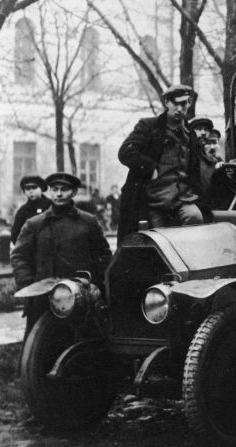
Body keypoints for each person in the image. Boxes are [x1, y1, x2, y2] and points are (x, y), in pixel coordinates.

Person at [11, 173, 111, 338]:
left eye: (64, 190)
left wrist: (96, 285)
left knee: (83, 346)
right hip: (43, 298)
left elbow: (104, 256)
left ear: (74, 192)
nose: (58, 194)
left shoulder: (88, 222)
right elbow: (19, 256)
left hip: (80, 297)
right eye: (54, 189)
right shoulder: (34, 224)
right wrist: (29, 285)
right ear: (49, 192)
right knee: (39, 350)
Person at [117, 84, 205, 238]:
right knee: (159, 242)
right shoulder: (149, 126)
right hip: (153, 200)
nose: (179, 108)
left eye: (183, 104)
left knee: (196, 220)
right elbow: (125, 152)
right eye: (175, 103)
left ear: (189, 103)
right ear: (166, 103)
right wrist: (150, 168)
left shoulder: (190, 134)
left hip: (182, 199)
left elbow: (194, 170)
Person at [11, 176, 52, 244]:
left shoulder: (51, 206)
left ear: (41, 189)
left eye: (34, 188)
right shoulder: (22, 211)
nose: (31, 191)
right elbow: (15, 235)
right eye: (27, 189)